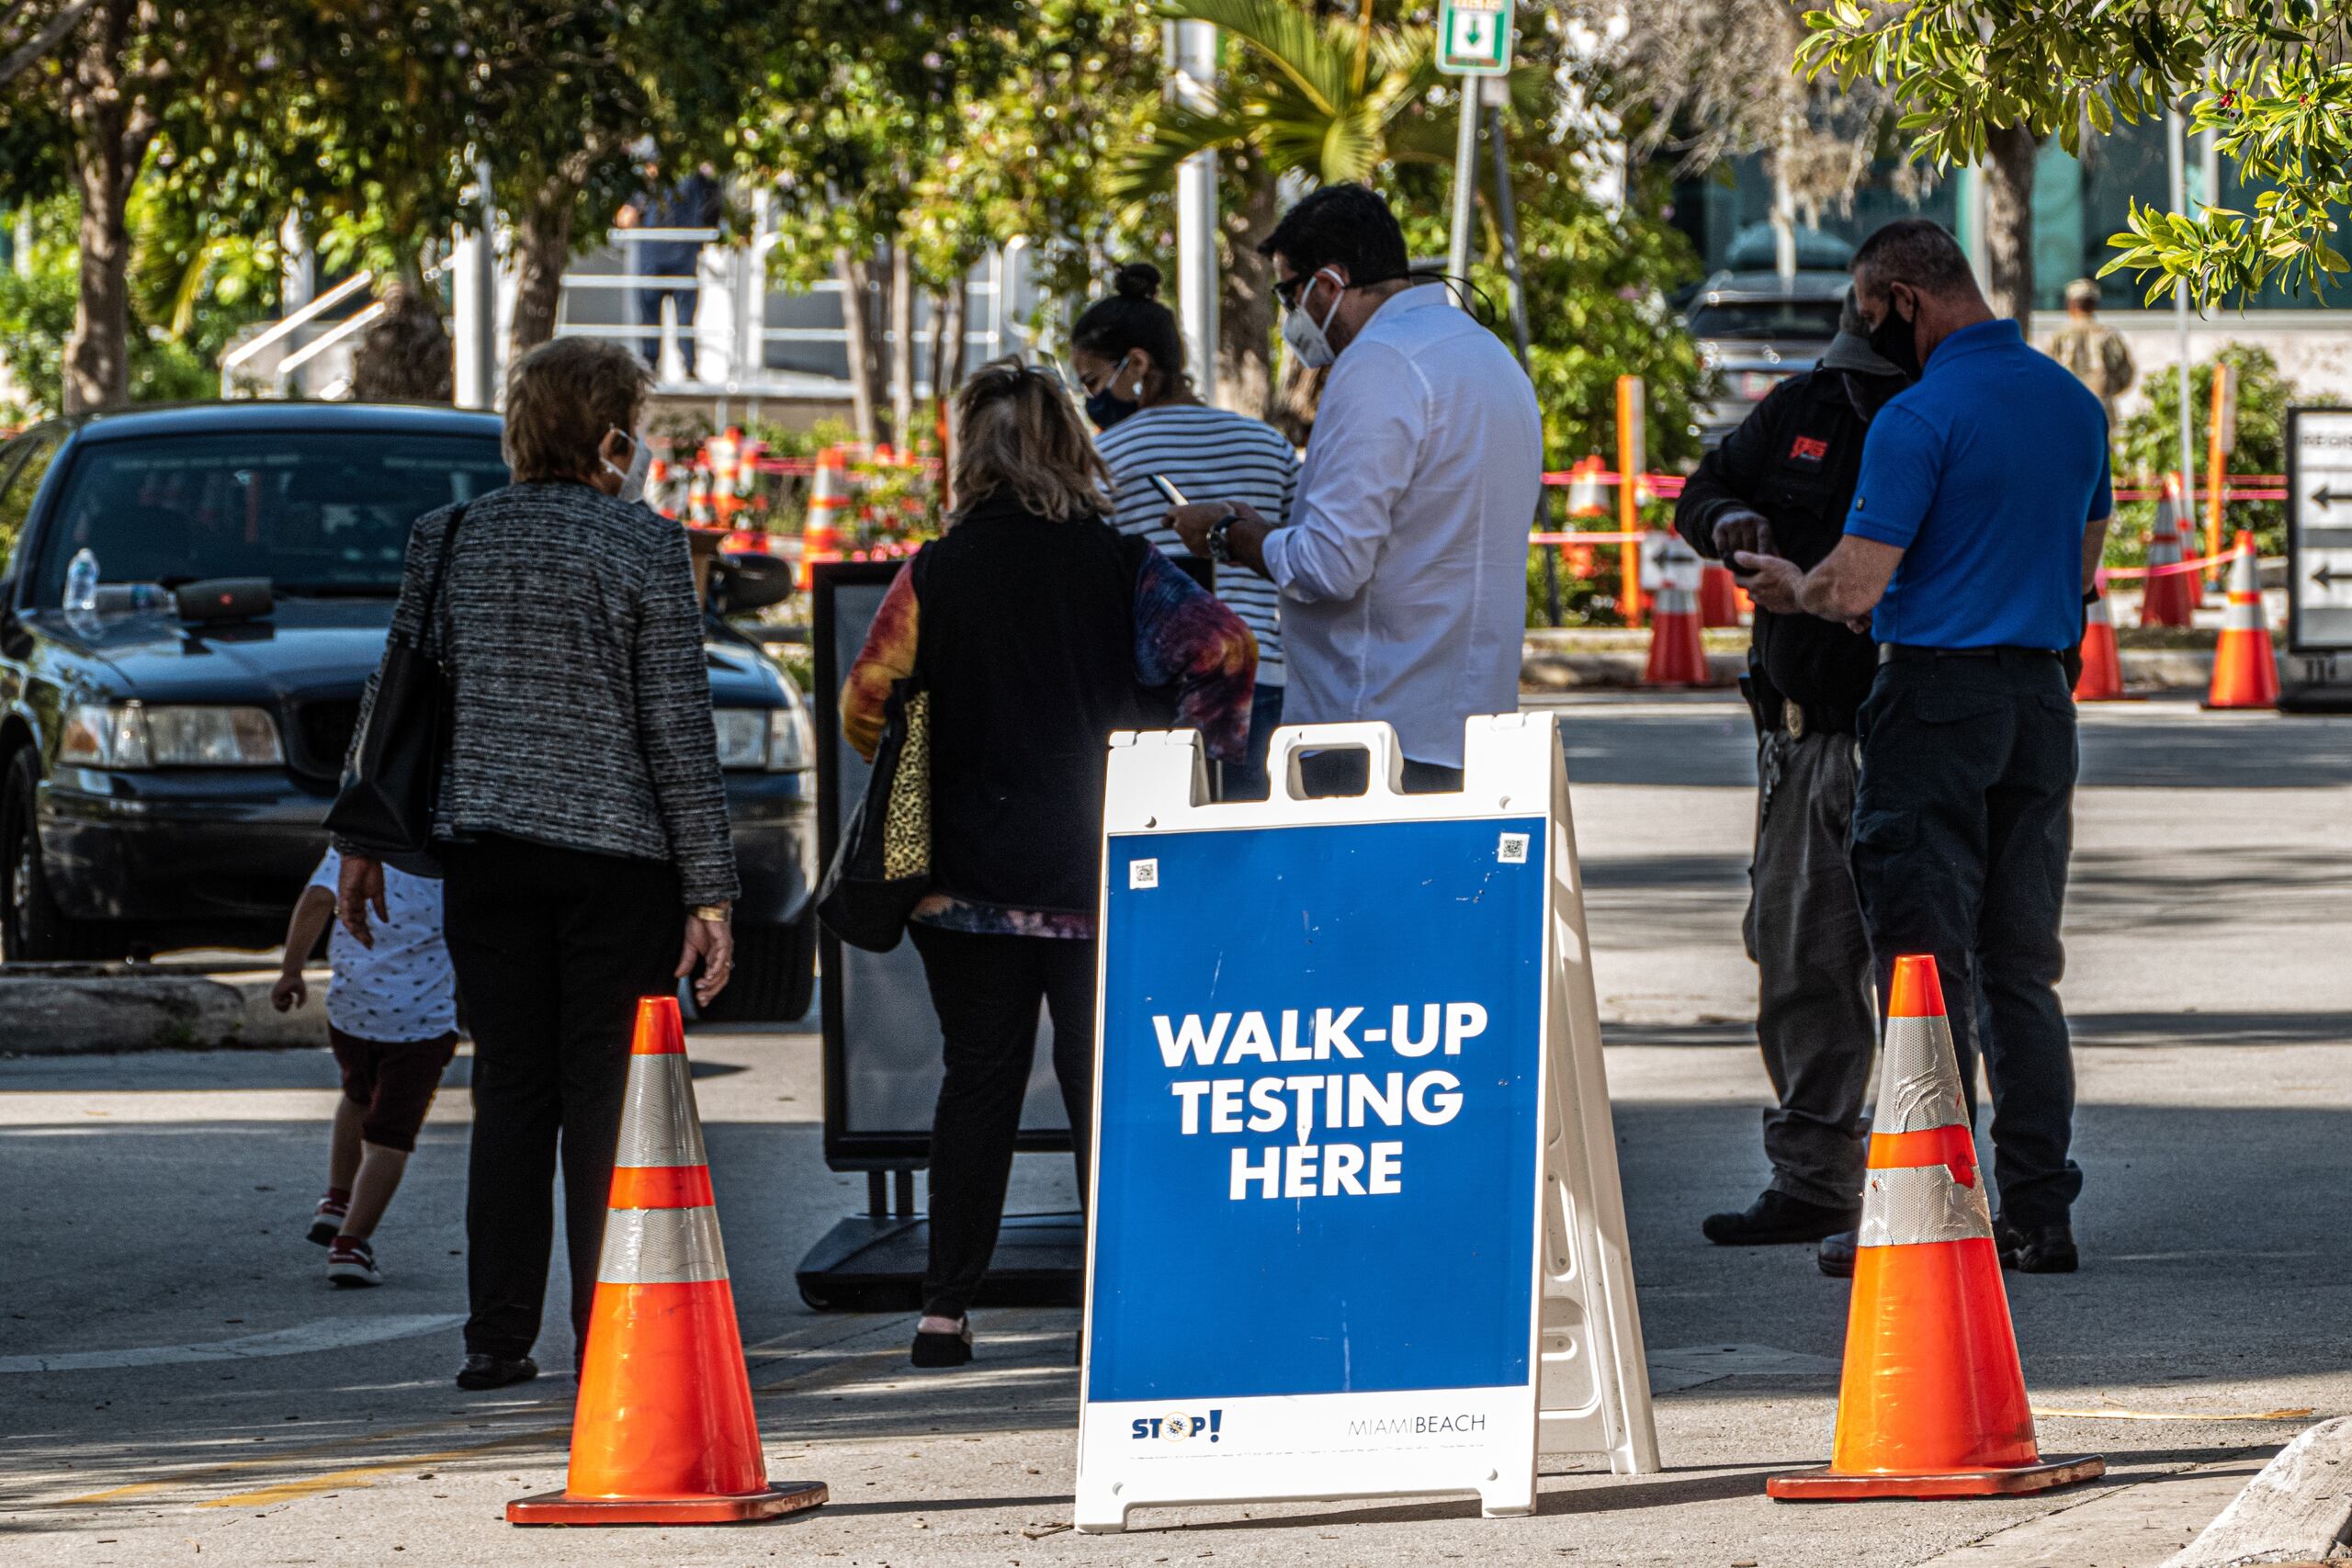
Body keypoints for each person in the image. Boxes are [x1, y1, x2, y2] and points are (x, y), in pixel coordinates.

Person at [337, 336, 739, 1390]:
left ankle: (495, 1338)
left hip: (489, 856)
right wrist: (709, 891)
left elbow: (395, 698)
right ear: (612, 432)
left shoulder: (451, 534)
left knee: (512, 1092)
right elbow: (676, 731)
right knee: (608, 1100)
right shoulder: (644, 545)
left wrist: (358, 846)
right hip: (619, 863)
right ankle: (610, 1338)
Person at [841, 360, 1254, 1368]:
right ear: (1073, 449)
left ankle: (944, 1311)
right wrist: (1189, 760)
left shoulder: (933, 572)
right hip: (1098, 874)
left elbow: (866, 701)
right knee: (1101, 1082)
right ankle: (1131, 1298)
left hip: (962, 883)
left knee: (975, 1081)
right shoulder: (1123, 567)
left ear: (966, 455)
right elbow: (1225, 652)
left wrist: (927, 753)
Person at [1732, 220, 2111, 1278]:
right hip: (2039, 700)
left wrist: (1789, 586)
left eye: (1866, 311)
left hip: (1933, 699)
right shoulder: (2071, 404)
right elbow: (2082, 568)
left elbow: (1850, 586)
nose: (1864, 334)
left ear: (1902, 298)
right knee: (2021, 969)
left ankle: (1922, 1207)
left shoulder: (1918, 414)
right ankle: (2039, 1209)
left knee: (1920, 967)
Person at [1168, 184, 1541, 795]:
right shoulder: (1488, 357)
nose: (1293, 318)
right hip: (1473, 730)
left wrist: (1228, 534)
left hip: (1370, 734)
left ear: (1330, 282)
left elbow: (1329, 565)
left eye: (1291, 293)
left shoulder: (1378, 363)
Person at [1673, 288, 1910, 1250]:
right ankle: (1813, 1175)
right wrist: (1727, 519)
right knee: (1799, 967)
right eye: (1849, 376)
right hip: (1802, 739)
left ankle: (1927, 1185)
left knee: (1922, 976)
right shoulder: (1799, 406)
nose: (1856, 397)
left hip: (1903, 731)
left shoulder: (1938, 413)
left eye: (1873, 380)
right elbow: (1700, 490)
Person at [1075, 262, 1297, 797]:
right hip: (1268, 679)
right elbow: (1298, 558)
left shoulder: (1102, 458)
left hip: (1165, 689)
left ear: (1137, 365)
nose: (1088, 398)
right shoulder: (1269, 446)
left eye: (1091, 380)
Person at [272, 848, 458, 1289]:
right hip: (419, 1026)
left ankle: (337, 1200)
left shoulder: (354, 846)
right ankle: (352, 1244)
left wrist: (291, 971)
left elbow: (316, 899)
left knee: (357, 1097)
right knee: (389, 1141)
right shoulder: (448, 860)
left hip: (352, 1014)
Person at [615, 161, 720, 382]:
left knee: (669, 320)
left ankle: (666, 368)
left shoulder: (688, 181)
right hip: (664, 260)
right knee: (671, 319)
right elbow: (625, 218)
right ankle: (677, 368)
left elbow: (624, 219)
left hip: (667, 261)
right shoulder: (688, 181)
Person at [2047, 277, 2135, 426]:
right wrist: (2109, 391)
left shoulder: (2060, 336)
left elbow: (2048, 372)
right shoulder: (2108, 335)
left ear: (2070, 304)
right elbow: (2126, 372)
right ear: (2094, 305)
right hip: (2101, 407)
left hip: (2067, 408)